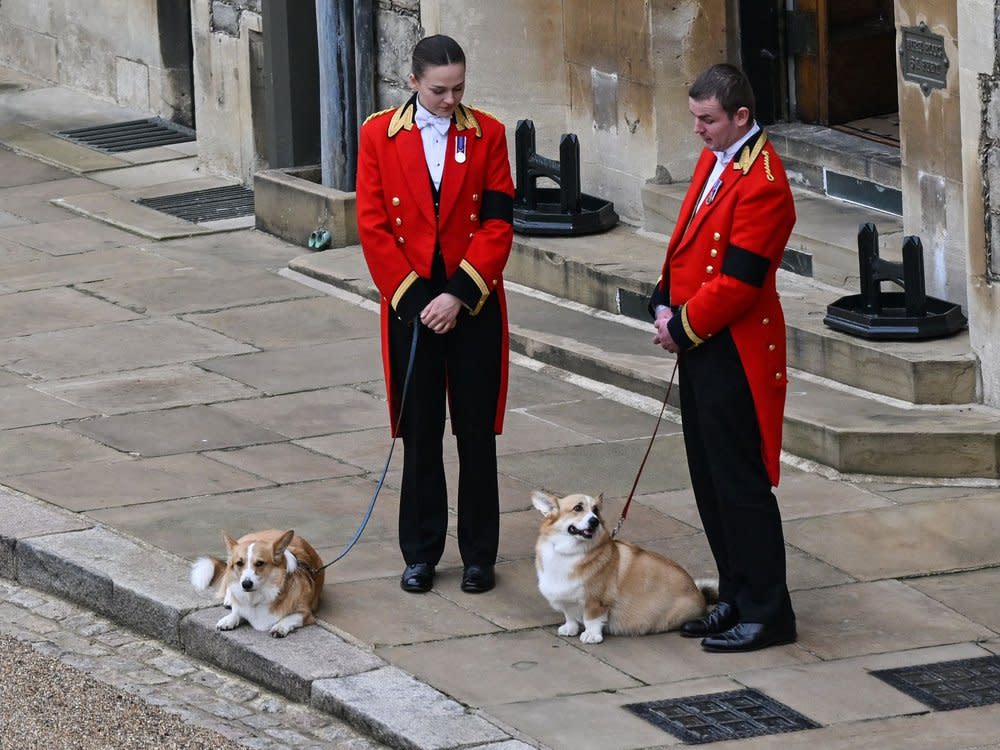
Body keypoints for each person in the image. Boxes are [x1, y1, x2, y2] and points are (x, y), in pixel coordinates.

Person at [356, 35, 515, 595]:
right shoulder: (378, 133)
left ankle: (479, 555)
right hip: (412, 307)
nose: (451, 100)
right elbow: (373, 227)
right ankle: (421, 553)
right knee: (420, 432)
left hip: (470, 303)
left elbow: (498, 224)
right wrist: (419, 300)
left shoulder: (488, 133)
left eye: (459, 88)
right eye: (440, 90)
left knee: (476, 434)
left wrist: (458, 295)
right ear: (414, 83)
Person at [649, 63, 797, 652]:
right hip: (702, 342)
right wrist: (664, 300)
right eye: (694, 119)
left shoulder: (763, 180)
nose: (698, 131)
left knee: (740, 483)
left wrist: (680, 327)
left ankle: (769, 610)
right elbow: (686, 240)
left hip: (734, 350)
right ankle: (735, 594)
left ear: (740, 116)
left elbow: (739, 282)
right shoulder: (718, 159)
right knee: (709, 479)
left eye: (707, 120)